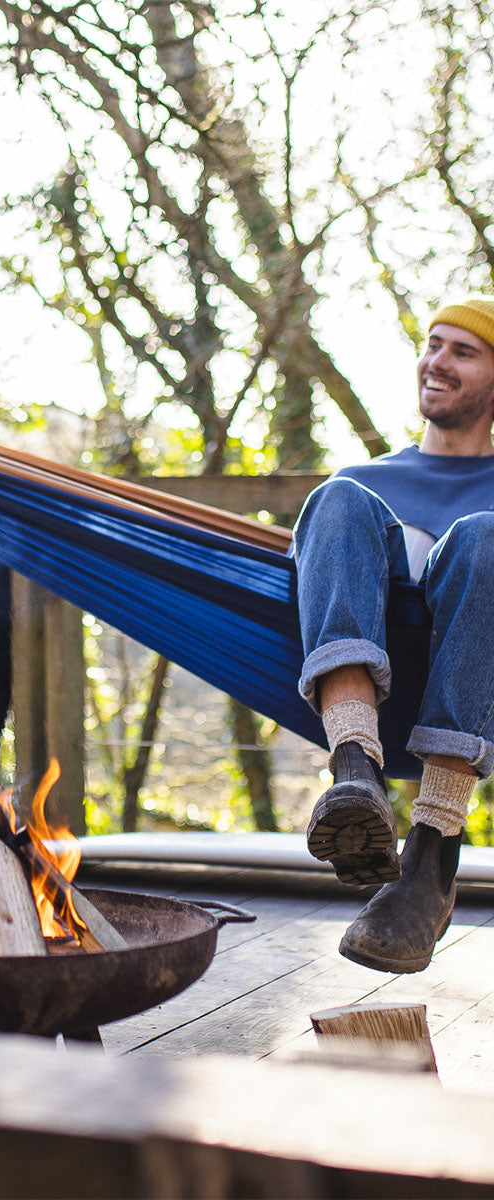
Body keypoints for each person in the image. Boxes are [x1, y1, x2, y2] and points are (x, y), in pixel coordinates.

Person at [294, 296, 494, 974]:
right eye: (433, 344)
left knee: (487, 536)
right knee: (336, 496)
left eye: (462, 352)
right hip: (375, 698)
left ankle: (431, 852)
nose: (435, 362)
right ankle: (356, 776)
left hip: (476, 689)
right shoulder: (365, 488)